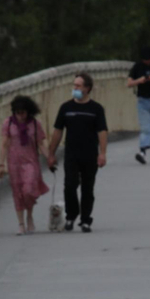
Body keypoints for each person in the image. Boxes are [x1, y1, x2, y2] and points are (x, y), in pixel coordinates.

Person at [47, 73, 108, 232]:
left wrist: (102, 153)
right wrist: (51, 154)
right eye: (74, 85)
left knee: (88, 188)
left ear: (87, 88)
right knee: (69, 185)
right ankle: (71, 215)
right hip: (71, 154)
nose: (75, 88)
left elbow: (102, 131)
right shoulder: (66, 108)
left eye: (78, 86)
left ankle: (86, 219)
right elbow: (58, 131)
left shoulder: (96, 109)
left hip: (90, 154)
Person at [0, 96, 49, 234]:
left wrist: (50, 158)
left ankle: (30, 215)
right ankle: (21, 223)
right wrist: (1, 164)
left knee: (28, 190)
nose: (20, 116)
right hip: (13, 162)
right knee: (17, 192)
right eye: (18, 113)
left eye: (23, 112)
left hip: (31, 161)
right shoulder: (8, 123)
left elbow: (41, 144)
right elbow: (4, 144)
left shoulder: (34, 124)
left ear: (28, 112)